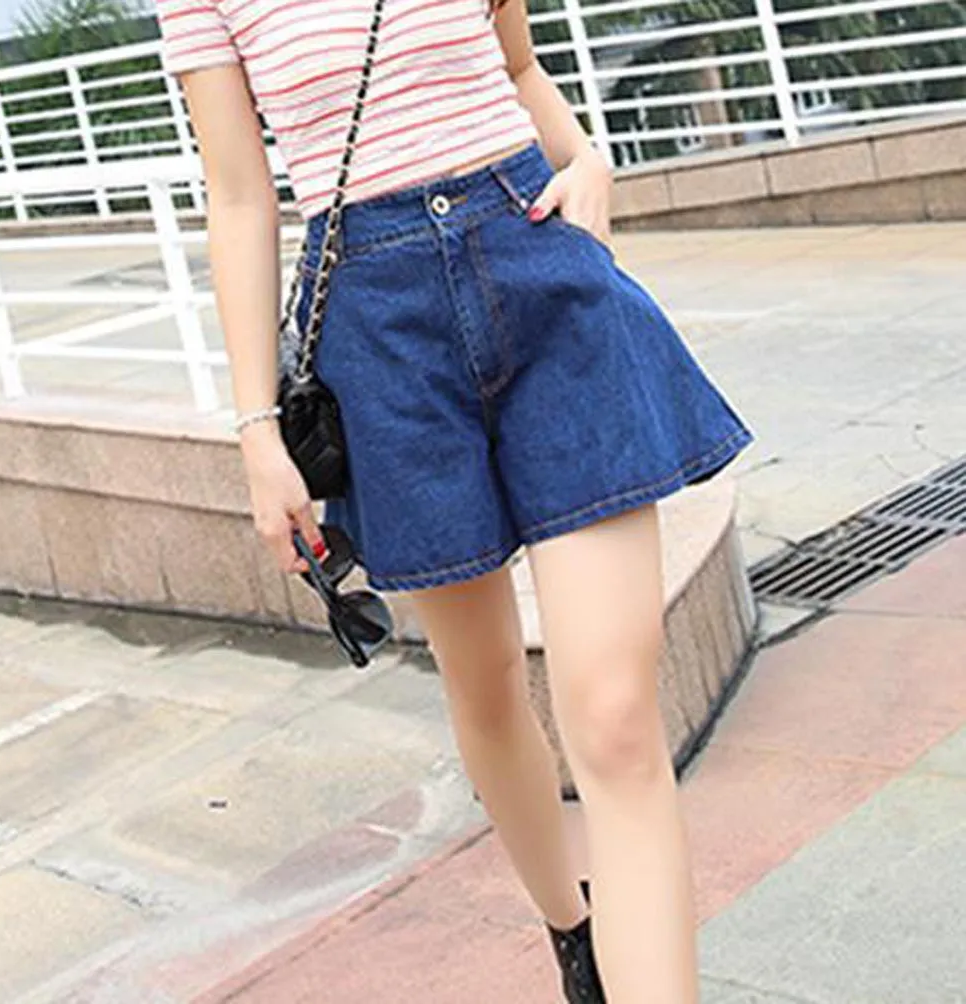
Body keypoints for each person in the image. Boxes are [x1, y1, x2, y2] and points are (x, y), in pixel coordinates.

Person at [153, 0, 753, 1000]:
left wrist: (587, 157)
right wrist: (257, 429)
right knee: (483, 682)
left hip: (535, 260)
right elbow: (239, 193)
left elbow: (518, 68)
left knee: (613, 714)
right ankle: (576, 934)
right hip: (380, 334)